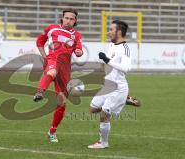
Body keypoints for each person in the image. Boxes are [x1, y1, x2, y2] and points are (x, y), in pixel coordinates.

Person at [34, 9, 83, 142]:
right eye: (66, 18)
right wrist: (45, 57)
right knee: (51, 72)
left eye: (71, 19)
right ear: (62, 18)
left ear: (75, 21)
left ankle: (52, 131)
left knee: (61, 102)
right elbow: (39, 42)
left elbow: (79, 49)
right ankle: (39, 92)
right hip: (53, 60)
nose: (68, 21)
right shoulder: (52, 29)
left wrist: (78, 52)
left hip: (65, 68)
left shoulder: (77, 35)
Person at [88, 20, 131, 149]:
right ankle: (125, 100)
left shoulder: (125, 48)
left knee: (104, 114)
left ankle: (103, 143)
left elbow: (126, 68)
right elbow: (108, 64)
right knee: (93, 108)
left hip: (118, 88)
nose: (108, 32)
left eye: (111, 29)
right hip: (108, 86)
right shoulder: (111, 45)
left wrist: (107, 59)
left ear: (119, 32)